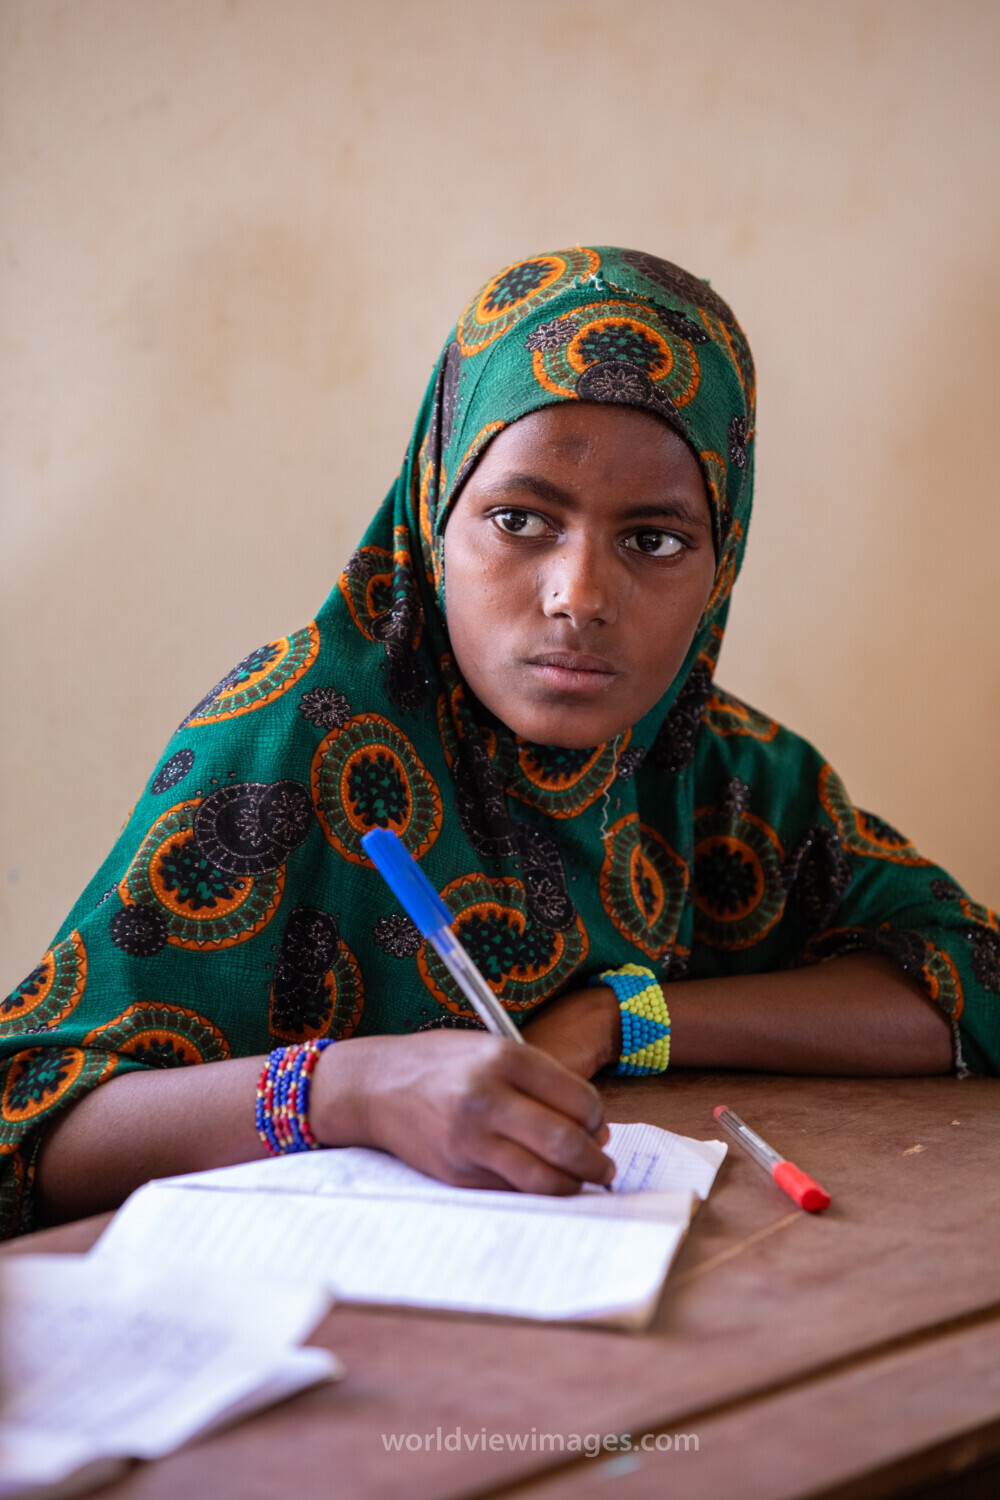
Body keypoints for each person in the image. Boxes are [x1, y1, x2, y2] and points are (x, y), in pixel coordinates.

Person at [2, 246, 997, 1239]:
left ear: (721, 560)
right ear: (436, 516)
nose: (579, 596)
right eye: (520, 518)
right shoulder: (295, 738)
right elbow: (23, 1116)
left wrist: (623, 1017)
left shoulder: (724, 774)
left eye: (653, 540)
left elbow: (968, 977)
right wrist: (344, 1088)